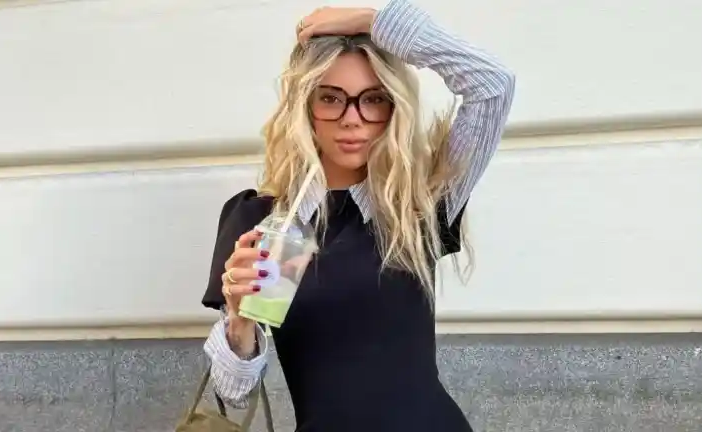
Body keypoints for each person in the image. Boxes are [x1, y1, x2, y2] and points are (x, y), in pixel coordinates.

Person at [201, 0, 515, 430]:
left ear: (393, 109)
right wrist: (240, 321)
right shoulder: (275, 222)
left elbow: (492, 84)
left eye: (373, 99)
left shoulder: (415, 205)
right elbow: (234, 396)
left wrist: (374, 22)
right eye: (331, 98)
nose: (352, 119)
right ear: (305, 109)